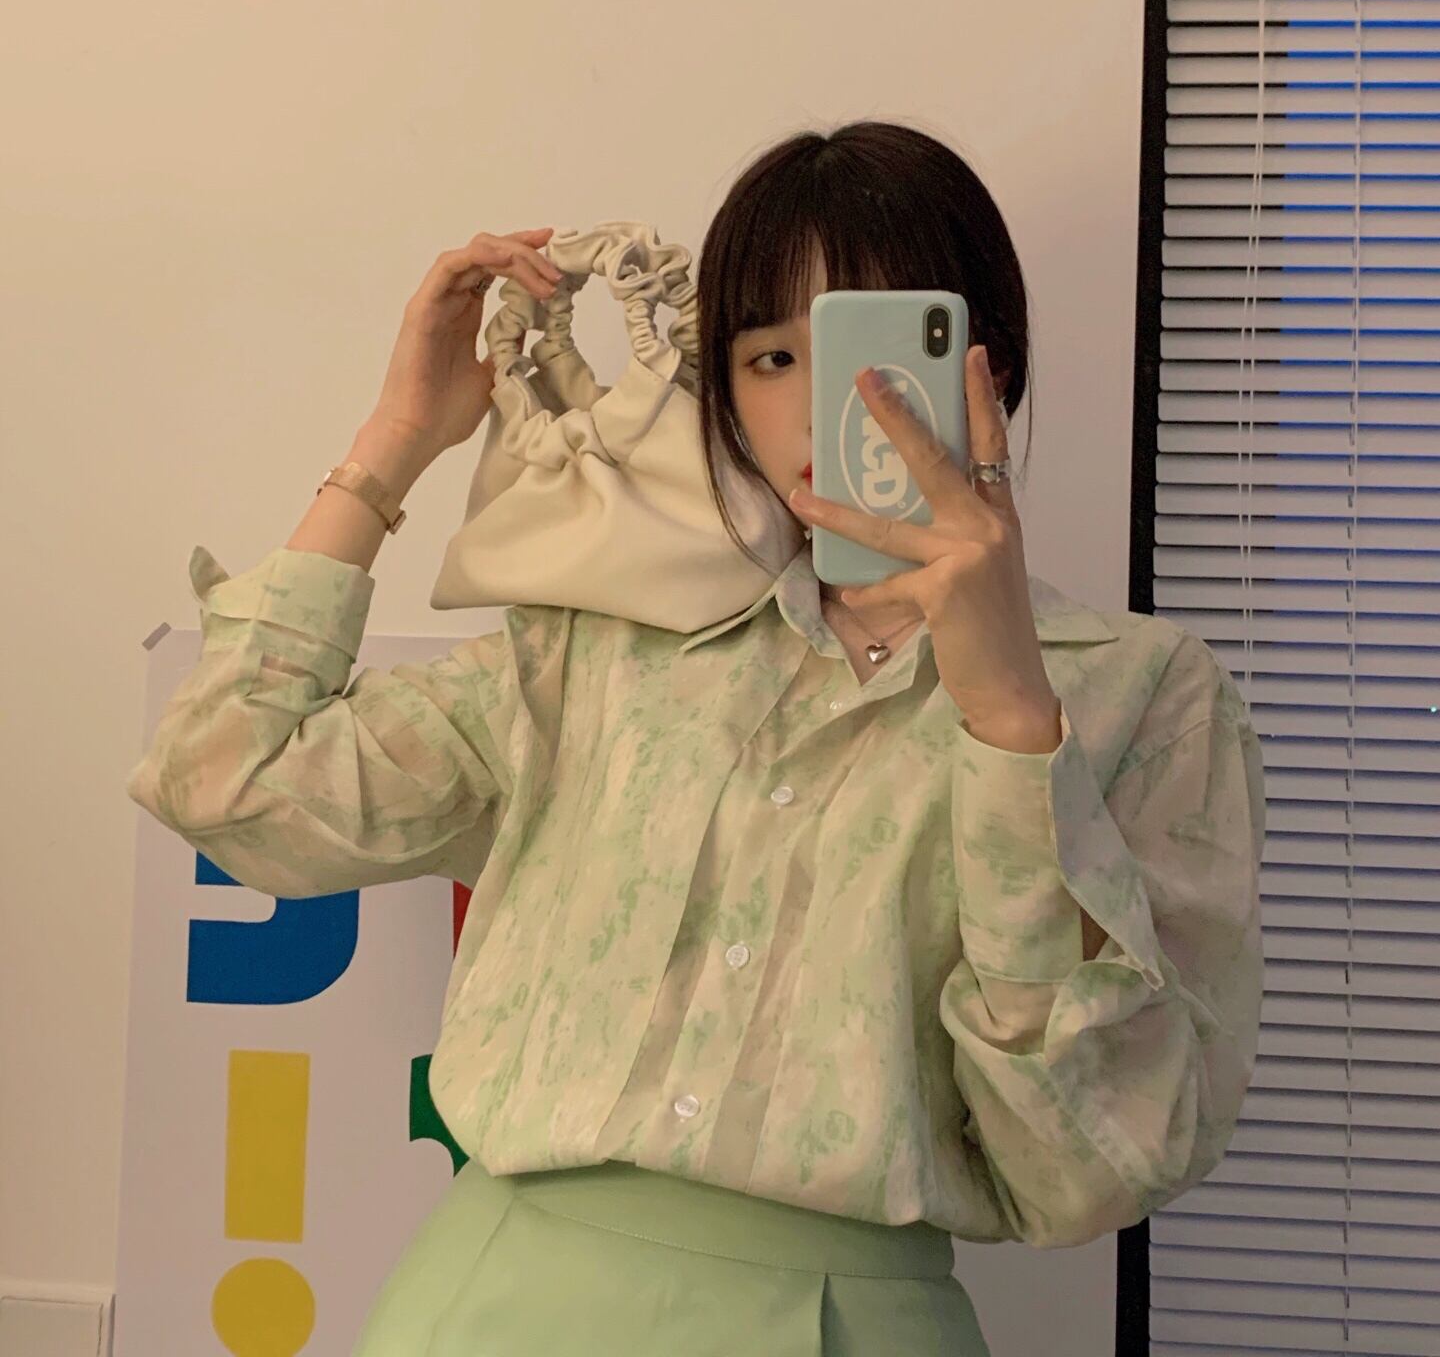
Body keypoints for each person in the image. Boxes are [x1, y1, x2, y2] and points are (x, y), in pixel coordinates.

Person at [125, 120, 1267, 1357]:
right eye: (772, 356)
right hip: (495, 1303)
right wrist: (397, 439)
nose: (830, 402)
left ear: (989, 359)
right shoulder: (608, 639)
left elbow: (1095, 1161)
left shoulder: (1140, 696)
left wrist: (1008, 718)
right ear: (721, 395)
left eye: (881, 345)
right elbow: (226, 780)